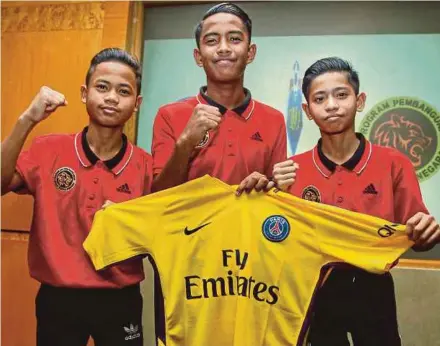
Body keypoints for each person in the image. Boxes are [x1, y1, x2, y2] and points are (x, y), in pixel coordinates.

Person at [238, 57, 439, 345]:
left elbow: (419, 235)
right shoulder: (290, 171)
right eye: (320, 98)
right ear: (307, 110)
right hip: (313, 288)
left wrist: (427, 231)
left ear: (360, 101)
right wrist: (267, 196)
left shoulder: (394, 163)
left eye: (341, 95)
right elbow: (274, 241)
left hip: (374, 286)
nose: (331, 105)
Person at [1, 48, 152, 346]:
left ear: (137, 103)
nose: (111, 97)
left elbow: (159, 237)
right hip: (59, 298)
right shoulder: (48, 150)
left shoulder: (146, 166)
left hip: (120, 299)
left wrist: (129, 225)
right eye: (102, 87)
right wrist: (27, 119)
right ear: (85, 93)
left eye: (123, 91)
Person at [151, 2, 287, 192]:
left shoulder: (274, 120)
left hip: (247, 222)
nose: (223, 48)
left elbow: (277, 198)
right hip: (190, 223)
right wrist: (185, 144)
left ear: (250, 52)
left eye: (234, 39)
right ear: (199, 57)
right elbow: (158, 196)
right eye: (212, 41)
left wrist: (266, 185)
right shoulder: (169, 115)